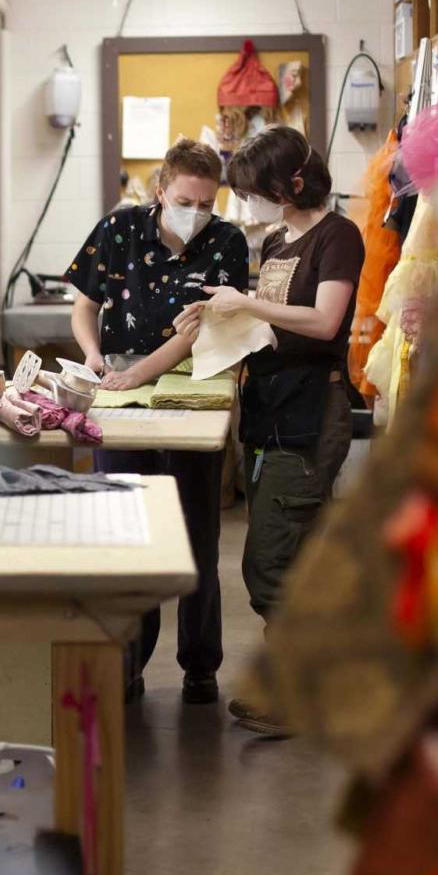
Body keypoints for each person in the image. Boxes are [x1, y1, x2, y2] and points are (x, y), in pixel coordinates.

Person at [176, 125, 364, 733]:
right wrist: (214, 314)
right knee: (297, 555)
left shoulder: (338, 236)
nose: (250, 204)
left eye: (257, 191)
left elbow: (324, 320)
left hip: (312, 414)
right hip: (272, 411)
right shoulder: (281, 238)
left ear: (295, 182)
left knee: (271, 563)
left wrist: (247, 303)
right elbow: (269, 328)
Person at [65, 138, 249, 705]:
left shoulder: (227, 242)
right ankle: (127, 663)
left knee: (196, 535)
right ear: (161, 190)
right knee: (126, 535)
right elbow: (82, 306)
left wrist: (140, 375)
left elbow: (198, 332)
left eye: (206, 201)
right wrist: (95, 357)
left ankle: (200, 667)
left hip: (194, 384)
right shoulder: (118, 230)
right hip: (119, 382)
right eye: (186, 199)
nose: (196, 211)